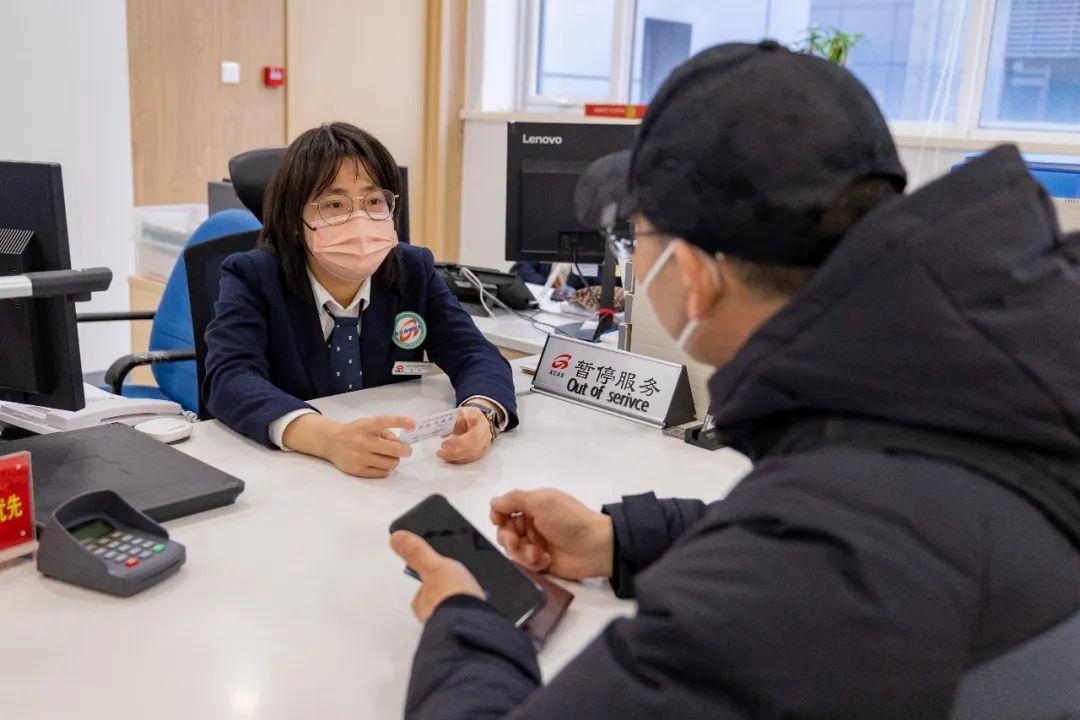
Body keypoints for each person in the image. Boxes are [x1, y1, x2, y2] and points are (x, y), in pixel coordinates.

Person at [389, 41, 1080, 718]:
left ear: (693, 276)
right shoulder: (1002, 370)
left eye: (637, 237)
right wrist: (624, 540)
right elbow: (897, 515)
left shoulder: (811, 563)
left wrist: (467, 620)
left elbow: (818, 555)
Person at [204, 122, 517, 478]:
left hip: (394, 471)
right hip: (290, 472)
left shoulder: (414, 269)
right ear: (294, 220)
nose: (359, 219)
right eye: (334, 204)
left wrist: (483, 413)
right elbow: (229, 378)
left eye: (373, 201)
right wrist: (329, 439)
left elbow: (474, 352)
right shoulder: (254, 276)